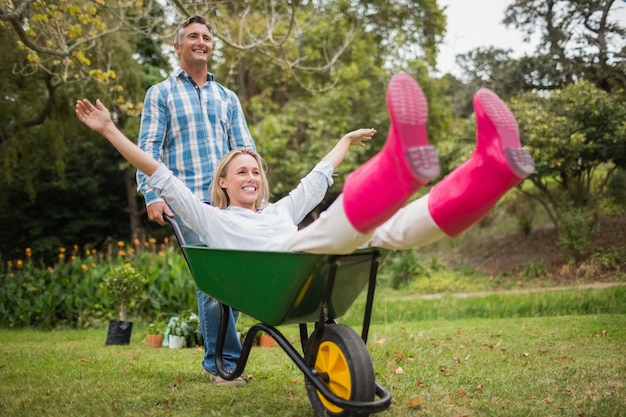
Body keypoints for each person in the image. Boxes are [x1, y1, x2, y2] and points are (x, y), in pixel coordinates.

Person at [76, 70, 535, 307]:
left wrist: (345, 142)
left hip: (309, 266)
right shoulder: (210, 217)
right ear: (222, 183)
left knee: (388, 230)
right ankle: (397, 166)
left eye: (255, 171)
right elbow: (160, 172)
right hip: (277, 276)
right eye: (241, 173)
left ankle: (488, 174)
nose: (251, 178)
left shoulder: (278, 211)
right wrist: (110, 132)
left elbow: (316, 182)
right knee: (332, 231)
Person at [136, 15, 255, 386]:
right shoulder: (161, 93)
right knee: (213, 279)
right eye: (192, 36)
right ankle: (222, 365)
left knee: (234, 277)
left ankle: (224, 359)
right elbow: (148, 149)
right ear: (178, 46)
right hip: (186, 203)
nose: (200, 41)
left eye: (206, 36)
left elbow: (244, 150)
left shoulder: (227, 97)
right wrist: (152, 194)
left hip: (227, 204)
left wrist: (254, 193)